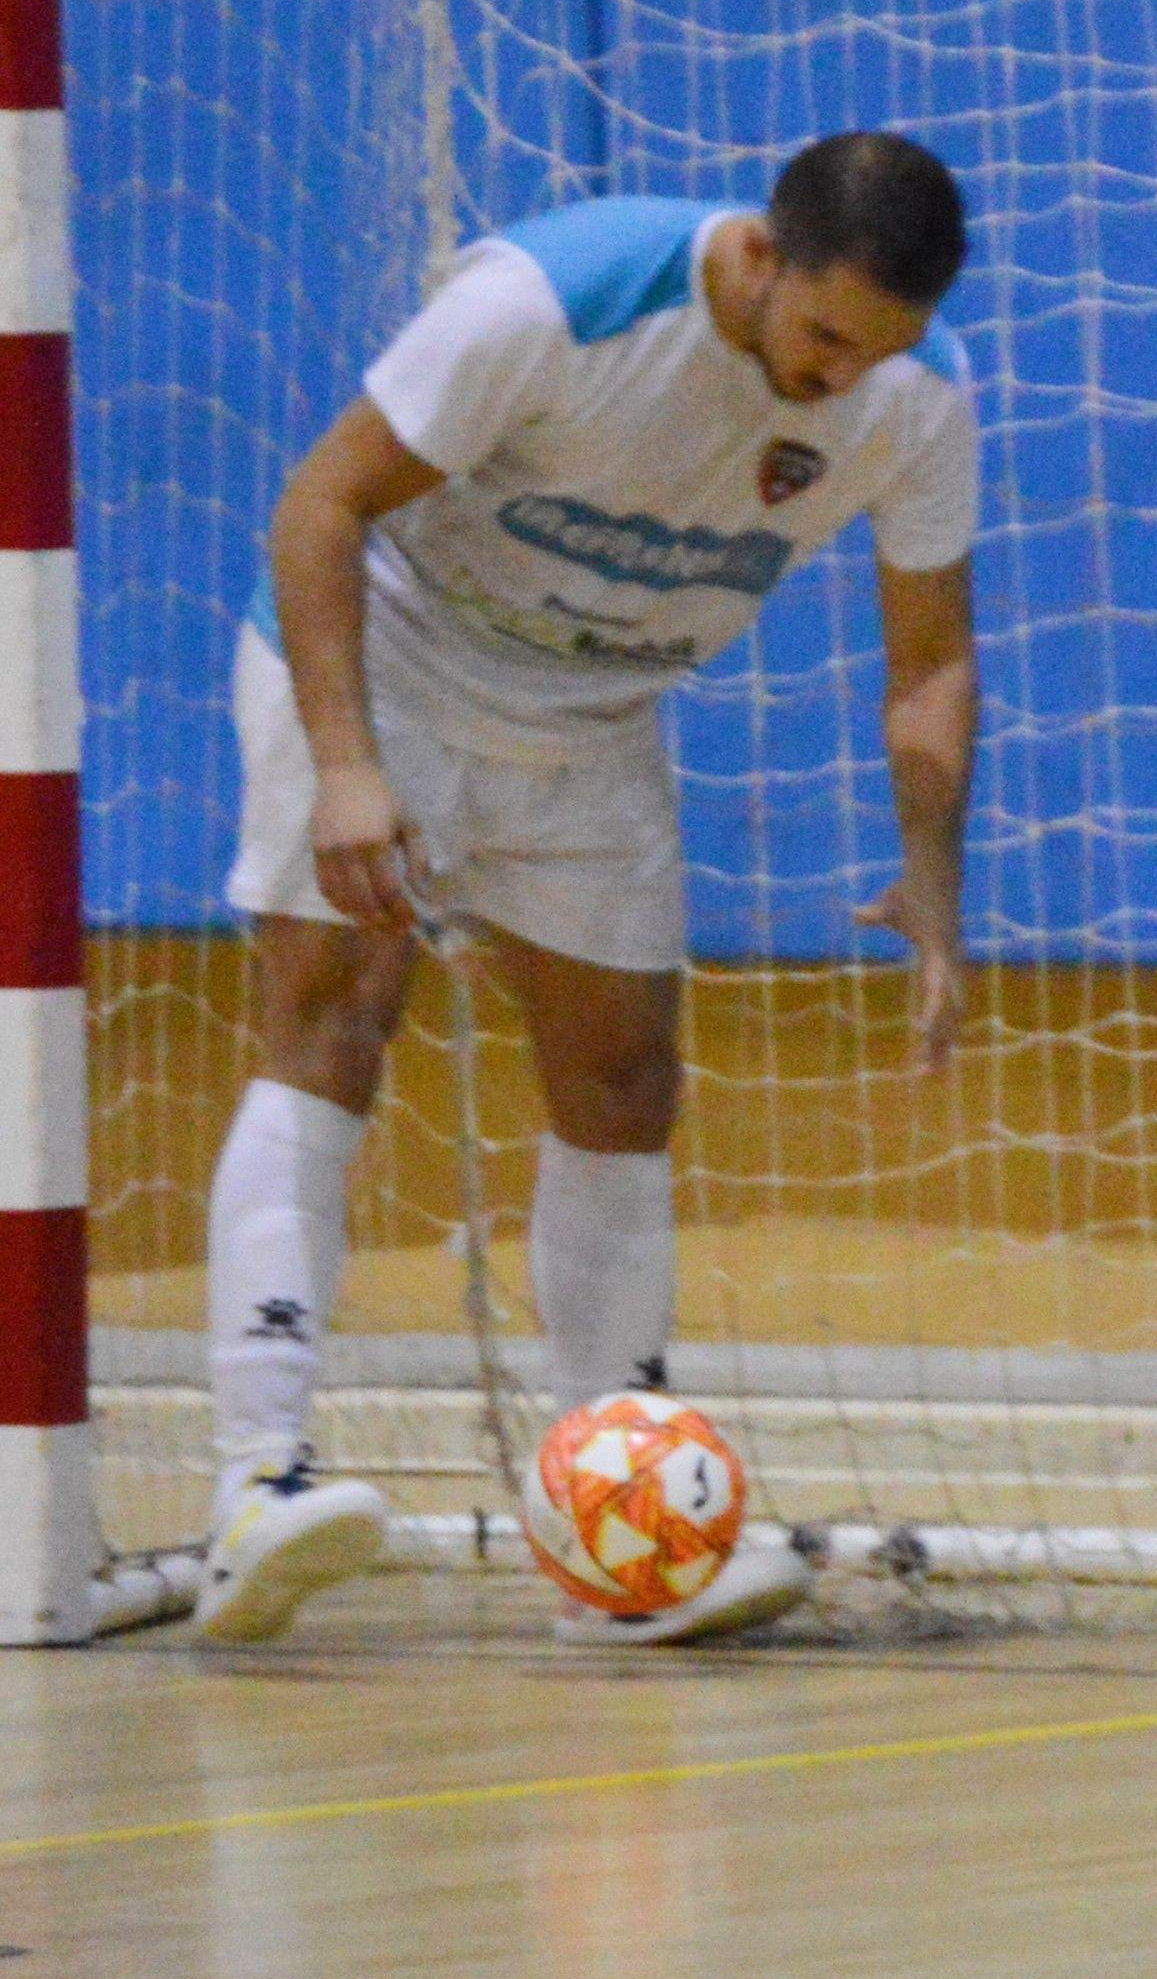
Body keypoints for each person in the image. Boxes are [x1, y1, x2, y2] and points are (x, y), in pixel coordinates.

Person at [189, 131, 983, 1648]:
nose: (838, 381)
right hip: (395, 665)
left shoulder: (913, 402)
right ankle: (252, 1487)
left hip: (594, 719)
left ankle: (615, 1545)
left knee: (622, 1082)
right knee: (334, 1030)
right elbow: (317, 508)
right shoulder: (553, 302)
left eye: (879, 353)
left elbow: (930, 655)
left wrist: (932, 880)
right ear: (759, 254)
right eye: (822, 337)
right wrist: (350, 765)